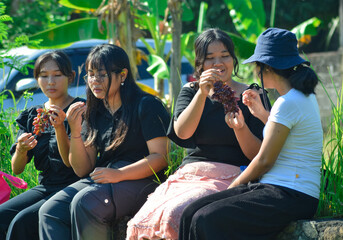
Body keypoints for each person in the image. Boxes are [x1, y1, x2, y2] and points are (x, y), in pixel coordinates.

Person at [178, 27, 323, 240]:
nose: (255, 71)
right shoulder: (297, 98)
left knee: (205, 218)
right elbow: (284, 134)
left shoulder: (288, 102)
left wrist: (233, 187)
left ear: (266, 67)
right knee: (189, 213)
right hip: (275, 188)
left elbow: (264, 160)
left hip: (292, 194)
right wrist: (263, 114)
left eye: (257, 65)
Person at [126, 28, 270, 240]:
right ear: (200, 63)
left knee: (175, 214)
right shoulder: (191, 91)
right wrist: (202, 93)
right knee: (141, 221)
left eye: (224, 56)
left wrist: (240, 128)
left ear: (233, 59)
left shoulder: (253, 95)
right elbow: (182, 133)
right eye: (210, 58)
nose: (218, 63)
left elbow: (258, 155)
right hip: (188, 176)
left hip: (231, 176)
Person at [38, 44, 170, 240]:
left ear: (123, 75)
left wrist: (119, 174)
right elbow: (82, 169)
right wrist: (74, 131)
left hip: (141, 180)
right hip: (105, 177)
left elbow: (160, 158)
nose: (94, 81)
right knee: (50, 211)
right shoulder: (94, 110)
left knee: (85, 202)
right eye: (90, 75)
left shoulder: (146, 105)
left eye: (101, 74)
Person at [0, 50, 84, 240]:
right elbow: (17, 169)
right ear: (36, 79)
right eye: (44, 76)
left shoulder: (79, 110)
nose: (50, 82)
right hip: (45, 185)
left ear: (70, 77)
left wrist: (61, 127)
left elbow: (73, 164)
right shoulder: (33, 115)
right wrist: (21, 149)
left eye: (57, 75)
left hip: (75, 185)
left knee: (21, 222)